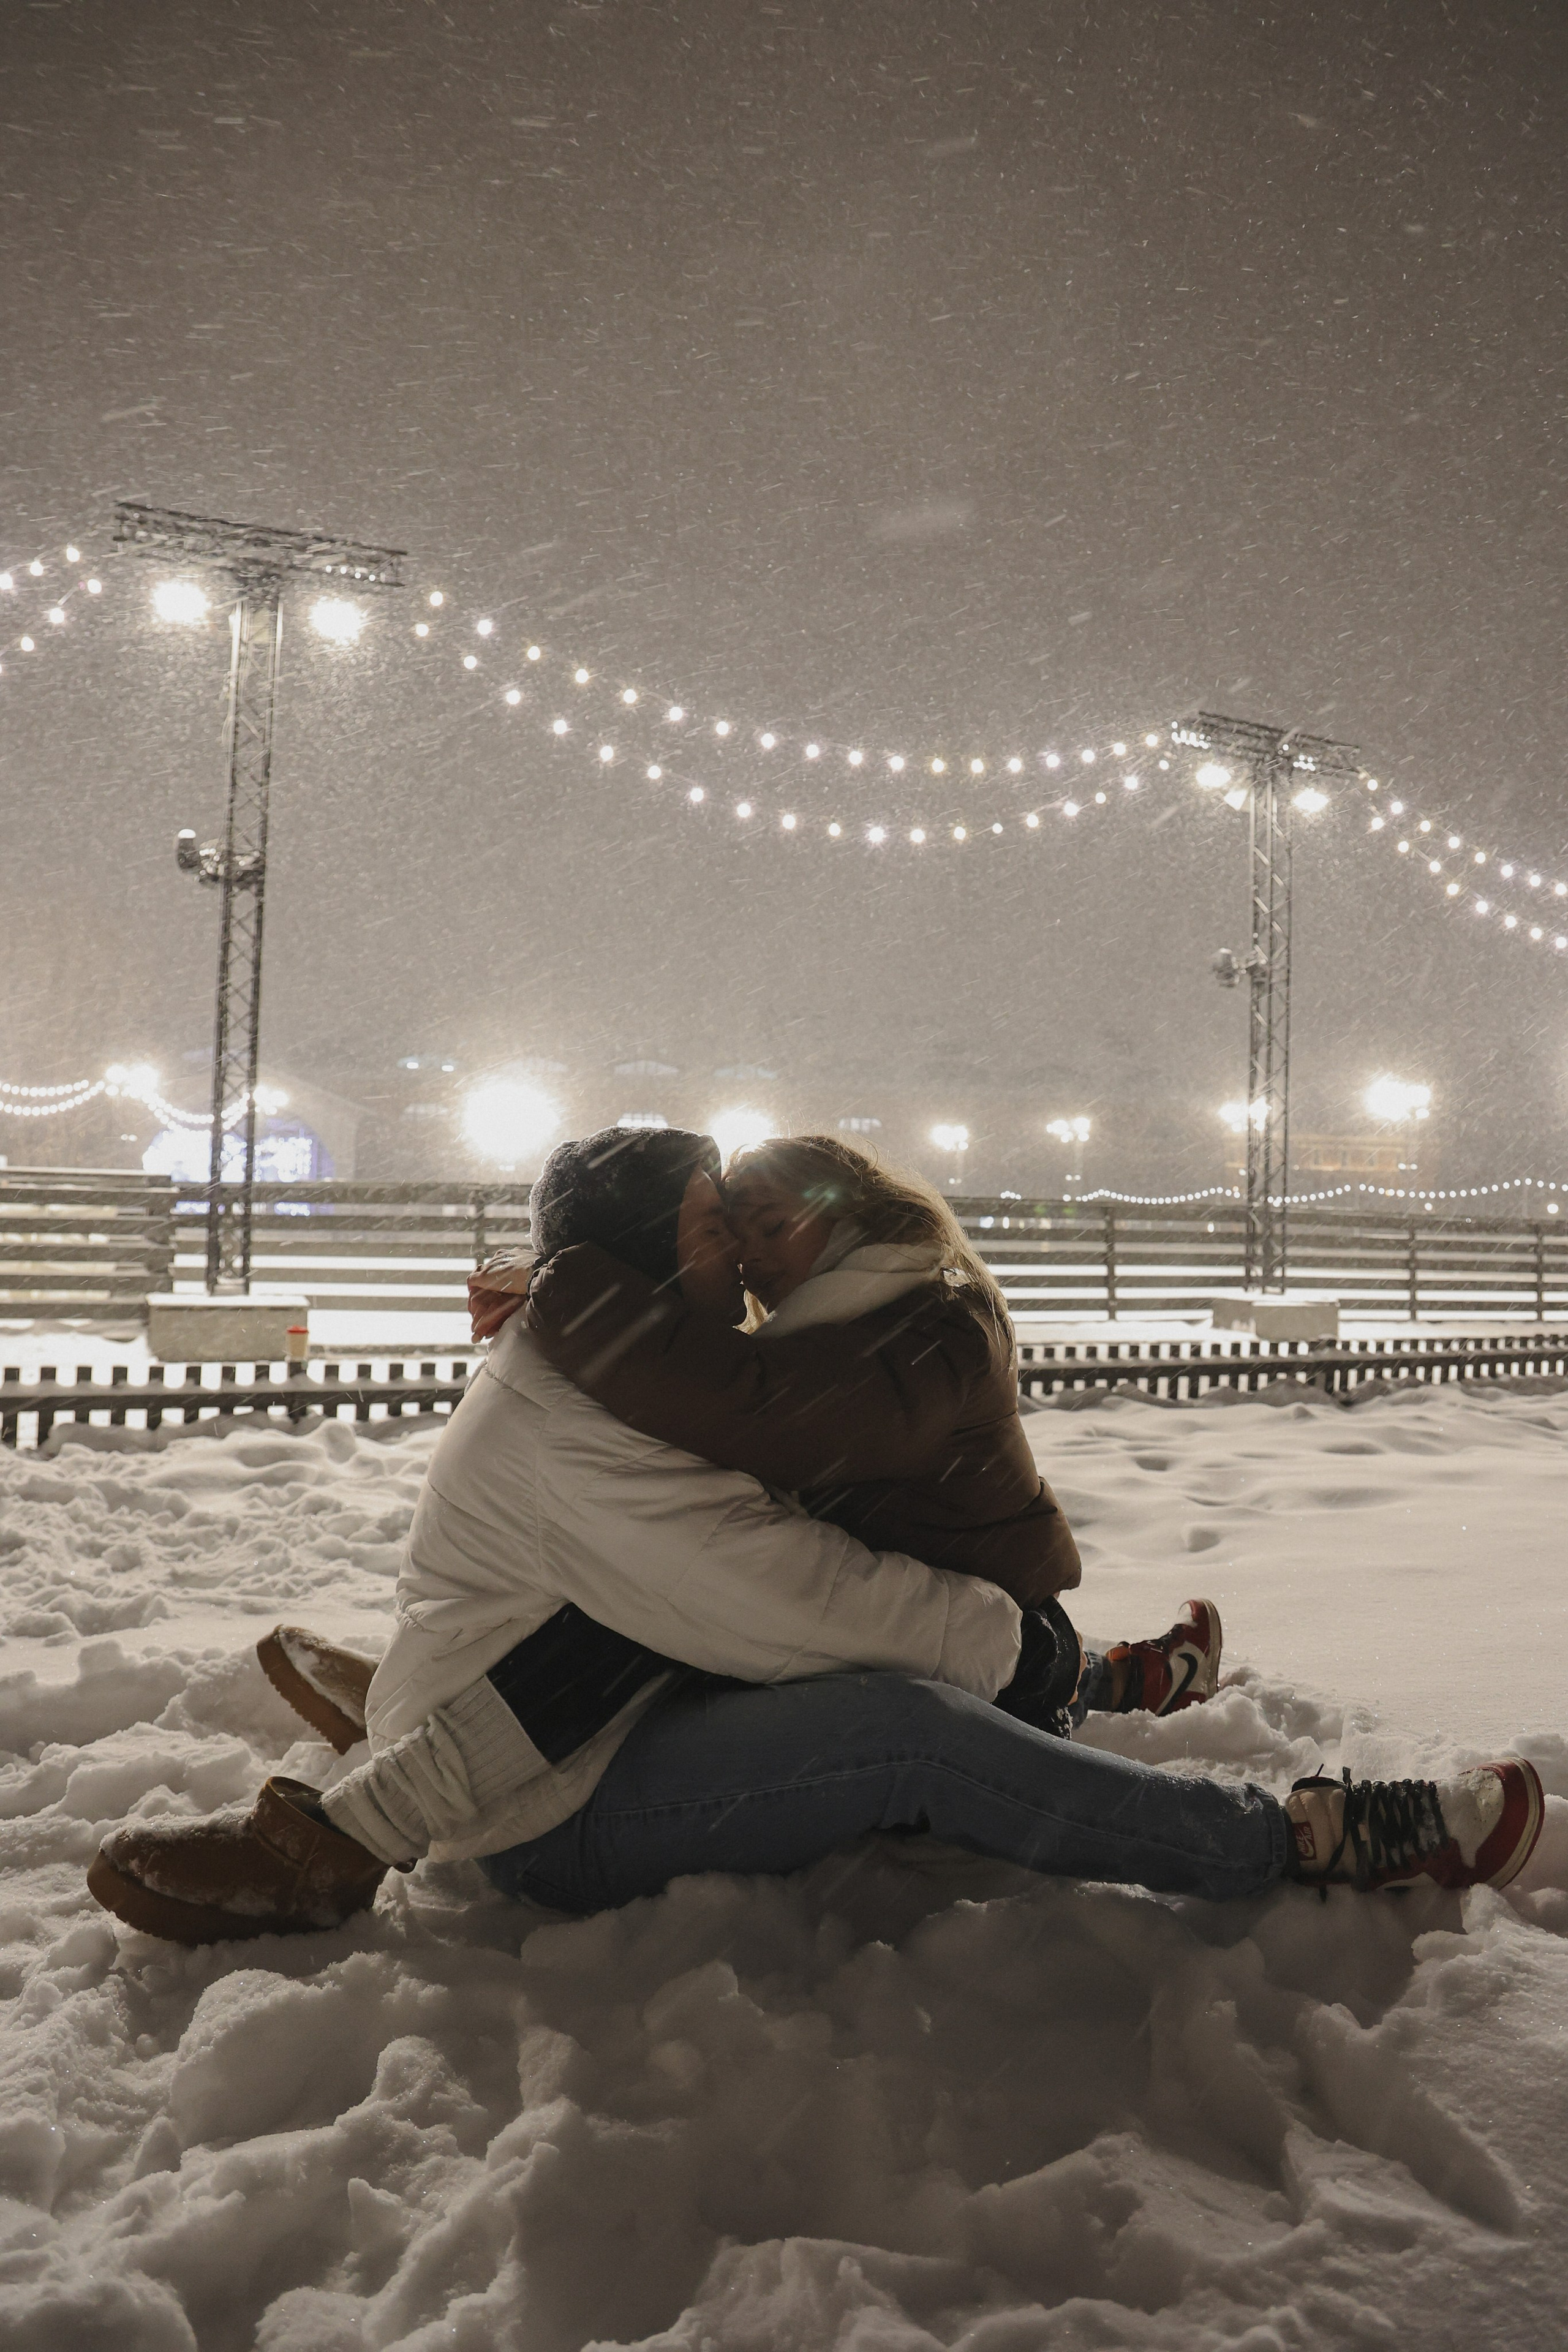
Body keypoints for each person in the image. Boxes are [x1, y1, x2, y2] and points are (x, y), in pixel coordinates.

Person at [86, 1128, 1545, 1946]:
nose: (739, 1256)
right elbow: (795, 1598)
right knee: (906, 1728)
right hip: (549, 1814)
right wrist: (999, 1644)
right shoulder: (588, 1425)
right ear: (656, 1253)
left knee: (900, 1698)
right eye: (717, 1232)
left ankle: (411, 1727)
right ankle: (1303, 1839)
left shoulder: (605, 1360)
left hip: (559, 1716)